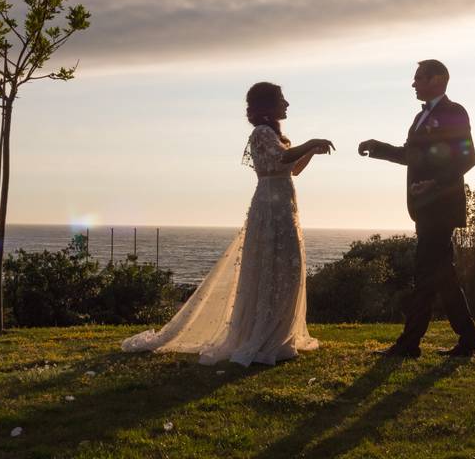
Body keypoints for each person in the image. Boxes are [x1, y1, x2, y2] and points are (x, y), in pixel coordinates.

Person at [122, 82, 334, 366]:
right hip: (270, 209)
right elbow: (278, 161)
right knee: (269, 268)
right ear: (267, 106)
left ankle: (281, 336)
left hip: (285, 207)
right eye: (282, 100)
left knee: (287, 269)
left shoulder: (278, 136)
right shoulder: (260, 133)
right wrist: (310, 142)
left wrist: (310, 152)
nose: (287, 105)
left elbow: (292, 168)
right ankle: (261, 336)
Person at [358, 59, 475, 357]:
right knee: (441, 275)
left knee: (426, 274)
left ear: (437, 79)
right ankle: (468, 340)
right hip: (424, 208)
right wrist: (378, 148)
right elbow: (409, 156)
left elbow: (468, 159)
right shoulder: (419, 117)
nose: (413, 84)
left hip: (441, 206)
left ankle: (410, 343)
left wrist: (435, 184)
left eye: (419, 78)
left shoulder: (454, 113)